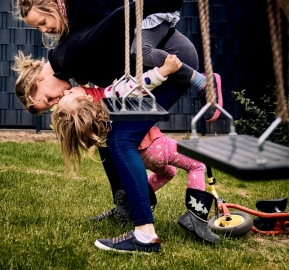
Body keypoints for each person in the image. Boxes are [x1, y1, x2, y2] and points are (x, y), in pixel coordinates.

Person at [13, 0, 220, 253]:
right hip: (156, 66)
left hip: (170, 60)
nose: (56, 102)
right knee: (105, 134)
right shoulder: (65, 57)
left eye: (48, 99)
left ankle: (145, 235)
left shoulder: (71, 53)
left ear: (38, 82)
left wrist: (160, 0)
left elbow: (118, 19)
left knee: (122, 140)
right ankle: (127, 206)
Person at [15, 0, 222, 122]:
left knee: (140, 52)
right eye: (38, 28)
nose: (44, 30)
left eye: (49, 99)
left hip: (142, 0)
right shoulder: (67, 39)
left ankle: (202, 82)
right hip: (146, 22)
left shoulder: (72, 1)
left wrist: (161, 0)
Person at [50, 84, 208, 226]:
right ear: (86, 98)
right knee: (198, 164)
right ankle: (196, 216)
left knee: (169, 173)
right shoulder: (108, 102)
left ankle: (132, 197)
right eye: (69, 93)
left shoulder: (96, 122)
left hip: (141, 157)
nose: (66, 90)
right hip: (156, 146)